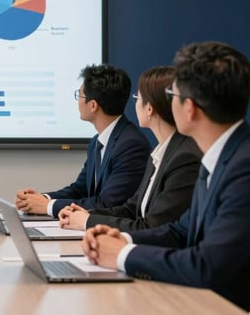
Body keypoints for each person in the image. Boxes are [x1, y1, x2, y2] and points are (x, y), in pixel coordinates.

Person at [83, 42, 250, 310]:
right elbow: (180, 231)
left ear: (191, 108)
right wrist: (123, 239)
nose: (168, 102)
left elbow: (207, 266)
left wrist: (122, 255)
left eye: (172, 94)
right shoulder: (223, 154)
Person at [59, 66, 201, 231]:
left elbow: (152, 226)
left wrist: (87, 221)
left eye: (137, 98)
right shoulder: (159, 154)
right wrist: (85, 215)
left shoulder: (183, 157)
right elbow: (131, 209)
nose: (134, 103)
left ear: (149, 109)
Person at [16, 64, 150, 217]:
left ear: (93, 105)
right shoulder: (97, 142)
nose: (78, 101)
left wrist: (48, 206)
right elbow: (79, 190)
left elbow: (106, 204)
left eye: (80, 95)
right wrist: (41, 199)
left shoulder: (131, 145)